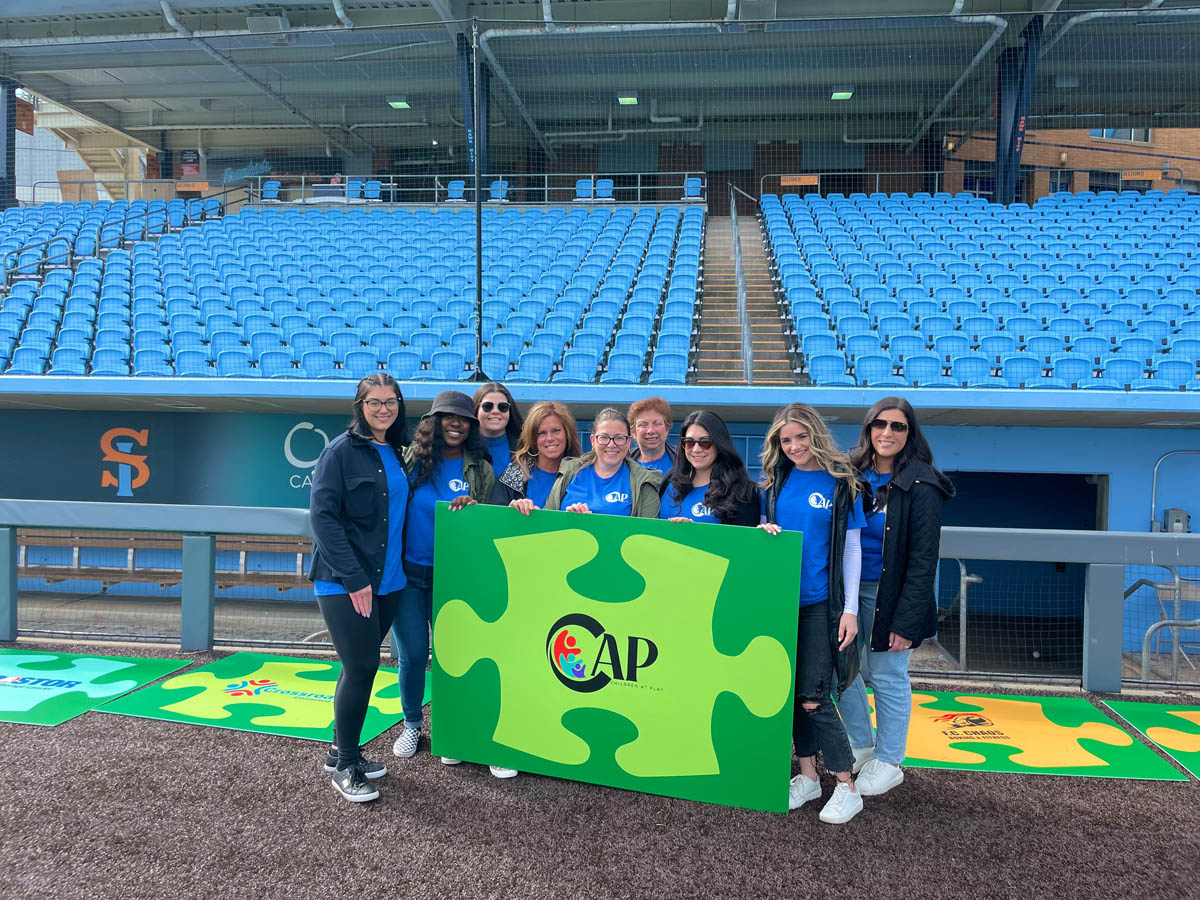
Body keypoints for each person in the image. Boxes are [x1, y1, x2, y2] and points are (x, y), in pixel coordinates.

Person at [837, 397, 955, 797]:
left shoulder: (923, 483)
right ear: (868, 428)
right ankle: (862, 744)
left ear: (910, 432)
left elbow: (924, 561)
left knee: (888, 675)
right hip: (847, 590)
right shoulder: (850, 472)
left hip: (890, 595)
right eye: (880, 424)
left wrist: (906, 622)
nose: (887, 433)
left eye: (898, 426)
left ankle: (889, 761)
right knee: (842, 670)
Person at [390, 391, 509, 775]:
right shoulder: (410, 459)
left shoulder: (484, 468)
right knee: (413, 654)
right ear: (434, 421)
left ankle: (458, 729)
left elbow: (490, 523)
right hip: (409, 574)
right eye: (448, 417)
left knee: (456, 657)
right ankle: (412, 724)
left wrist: (475, 510)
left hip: (455, 577)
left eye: (463, 419)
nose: (456, 424)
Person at [758, 402, 866, 825]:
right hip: (781, 603)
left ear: (815, 435)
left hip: (821, 605)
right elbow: (764, 538)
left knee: (813, 697)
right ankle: (808, 777)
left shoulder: (841, 482)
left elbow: (852, 549)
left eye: (801, 437)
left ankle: (846, 785)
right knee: (791, 697)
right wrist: (764, 532)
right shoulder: (774, 482)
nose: (794, 446)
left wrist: (850, 610)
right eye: (786, 440)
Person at [308, 373, 410, 802]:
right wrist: (354, 579)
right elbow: (323, 518)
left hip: (389, 582)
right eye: (375, 402)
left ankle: (340, 750)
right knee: (363, 666)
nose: (383, 409)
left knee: (357, 667)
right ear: (360, 406)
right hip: (344, 583)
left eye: (391, 402)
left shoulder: (398, 451)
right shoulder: (339, 452)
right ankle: (346, 765)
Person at [545, 407, 662, 517]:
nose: (611, 444)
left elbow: (648, 530)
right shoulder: (568, 473)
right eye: (604, 437)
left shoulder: (644, 483)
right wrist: (568, 519)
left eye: (619, 438)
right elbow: (548, 521)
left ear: (628, 441)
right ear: (593, 441)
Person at [659, 410, 759, 526]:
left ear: (719, 444)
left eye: (705, 442)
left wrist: (691, 532)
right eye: (689, 442)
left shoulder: (742, 491)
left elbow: (743, 537)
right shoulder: (670, 480)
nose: (696, 449)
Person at [490, 400, 583, 512]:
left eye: (556, 431)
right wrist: (512, 513)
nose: (550, 438)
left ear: (567, 434)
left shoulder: (583, 475)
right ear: (533, 439)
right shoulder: (511, 478)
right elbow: (493, 519)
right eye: (542, 433)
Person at [473, 382, 524, 478]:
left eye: (503, 407)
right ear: (476, 409)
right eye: (487, 406)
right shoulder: (461, 448)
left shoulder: (525, 448)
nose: (495, 411)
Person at [628, 397, 676, 477]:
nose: (650, 431)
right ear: (633, 432)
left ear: (667, 428)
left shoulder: (685, 460)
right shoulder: (621, 464)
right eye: (643, 424)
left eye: (657, 423)